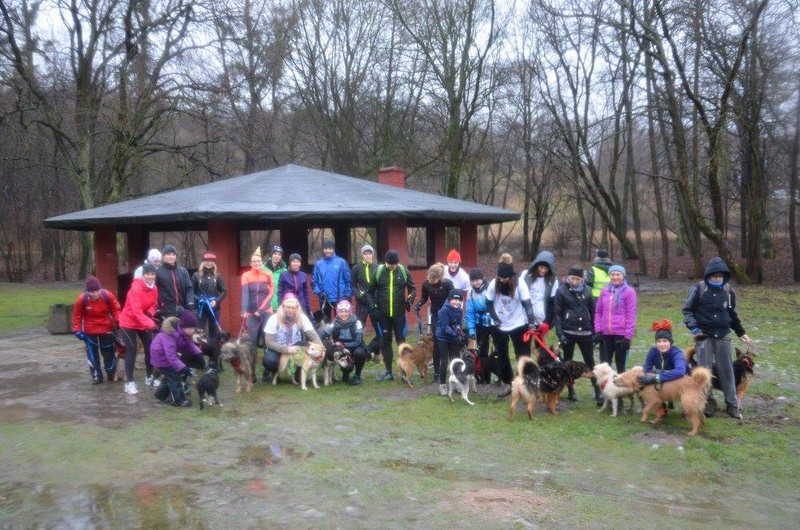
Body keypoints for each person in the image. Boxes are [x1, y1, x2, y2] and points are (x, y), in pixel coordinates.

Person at [682, 257, 752, 419]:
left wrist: (741, 332)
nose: (717, 278)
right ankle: (709, 402)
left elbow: (732, 314)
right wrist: (694, 327)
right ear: (708, 275)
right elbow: (687, 311)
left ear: (724, 276)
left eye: (720, 276)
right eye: (714, 276)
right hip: (703, 336)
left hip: (723, 335)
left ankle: (732, 405)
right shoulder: (698, 289)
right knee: (705, 371)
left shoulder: (728, 291)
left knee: (726, 370)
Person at [485, 254, 536, 396]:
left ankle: (525, 383)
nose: (503, 280)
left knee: (523, 356)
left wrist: (531, 322)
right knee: (502, 355)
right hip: (499, 325)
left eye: (505, 278)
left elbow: (528, 304)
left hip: (519, 323)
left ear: (511, 276)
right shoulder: (494, 284)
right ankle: (508, 382)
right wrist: (494, 318)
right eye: (500, 278)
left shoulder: (520, 283)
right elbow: (488, 303)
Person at [553, 265, 602, 405]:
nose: (575, 281)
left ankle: (597, 390)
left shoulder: (588, 290)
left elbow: (593, 312)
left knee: (590, 362)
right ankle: (570, 389)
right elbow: (557, 314)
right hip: (568, 332)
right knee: (567, 363)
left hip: (586, 332)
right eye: (572, 278)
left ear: (582, 279)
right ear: (568, 278)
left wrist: (595, 331)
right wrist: (560, 334)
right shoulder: (561, 291)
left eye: (578, 279)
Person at [368, 249, 416, 381]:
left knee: (401, 342)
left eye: (395, 264)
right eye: (390, 265)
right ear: (386, 262)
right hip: (383, 315)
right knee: (385, 341)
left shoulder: (403, 271)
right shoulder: (378, 272)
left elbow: (413, 288)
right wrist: (373, 308)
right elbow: (369, 292)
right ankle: (389, 372)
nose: (393, 267)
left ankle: (406, 373)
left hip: (399, 314)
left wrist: (410, 300)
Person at [72, 275, 122, 384]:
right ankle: (97, 376)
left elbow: (116, 310)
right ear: (88, 291)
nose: (95, 294)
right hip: (90, 331)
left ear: (100, 289)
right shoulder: (82, 299)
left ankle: (111, 374)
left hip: (106, 328)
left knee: (108, 353)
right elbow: (77, 316)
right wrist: (77, 331)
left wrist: (120, 323)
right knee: (92, 354)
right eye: (92, 292)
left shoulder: (107, 295)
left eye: (97, 291)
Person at [263, 293, 323, 382]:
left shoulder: (302, 318)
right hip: (277, 346)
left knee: (307, 346)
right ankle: (273, 372)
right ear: (283, 306)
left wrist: (322, 349)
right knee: (270, 361)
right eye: (288, 307)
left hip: (296, 346)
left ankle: (298, 370)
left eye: (293, 308)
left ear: (297, 308)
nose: (290, 310)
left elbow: (313, 335)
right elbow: (269, 342)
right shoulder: (273, 318)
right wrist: (286, 349)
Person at [119, 263, 159, 394]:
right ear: (143, 275)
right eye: (147, 274)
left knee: (149, 347)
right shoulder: (135, 289)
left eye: (152, 274)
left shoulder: (154, 289)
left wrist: (150, 314)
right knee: (132, 349)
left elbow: (153, 305)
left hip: (143, 321)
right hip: (128, 322)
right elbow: (136, 312)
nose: (150, 276)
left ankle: (149, 376)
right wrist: (151, 324)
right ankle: (129, 383)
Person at [638, 319, 689, 420]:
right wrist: (654, 374)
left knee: (687, 409)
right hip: (664, 380)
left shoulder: (677, 353)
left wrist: (657, 376)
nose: (661, 344)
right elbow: (646, 369)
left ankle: (686, 406)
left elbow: (680, 371)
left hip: (681, 382)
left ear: (670, 342)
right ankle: (662, 406)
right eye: (658, 341)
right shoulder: (653, 351)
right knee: (647, 381)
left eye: (665, 341)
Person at [151, 311, 203, 407]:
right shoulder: (170, 334)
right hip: (160, 356)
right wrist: (183, 368)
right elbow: (171, 356)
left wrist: (198, 353)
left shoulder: (183, 333)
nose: (193, 330)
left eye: (193, 328)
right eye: (190, 328)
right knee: (174, 377)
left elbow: (189, 344)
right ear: (183, 327)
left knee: (169, 377)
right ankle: (178, 401)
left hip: (168, 355)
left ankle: (160, 395)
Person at [594, 264, 637, 373]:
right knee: (604, 365)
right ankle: (604, 389)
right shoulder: (604, 291)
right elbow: (598, 311)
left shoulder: (629, 292)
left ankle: (621, 389)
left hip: (621, 334)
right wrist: (598, 330)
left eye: (618, 274)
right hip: (605, 334)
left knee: (620, 366)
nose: (615, 277)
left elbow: (631, 315)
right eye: (612, 274)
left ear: (623, 276)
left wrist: (628, 336)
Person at [414, 263, 454, 379]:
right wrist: (419, 304)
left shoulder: (447, 284)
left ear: (440, 277)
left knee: (449, 342)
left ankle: (451, 369)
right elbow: (424, 297)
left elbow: (453, 298)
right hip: (436, 315)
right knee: (436, 342)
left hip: (448, 315)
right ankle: (437, 373)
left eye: (434, 279)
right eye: (430, 278)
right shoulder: (426, 284)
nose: (431, 281)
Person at [519, 250, 558, 362]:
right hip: (526, 318)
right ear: (536, 265)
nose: (543, 271)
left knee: (541, 352)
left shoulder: (553, 280)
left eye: (546, 269)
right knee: (524, 349)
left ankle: (541, 373)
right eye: (541, 267)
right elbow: (520, 295)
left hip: (542, 320)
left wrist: (547, 322)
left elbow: (552, 303)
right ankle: (524, 373)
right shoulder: (526, 275)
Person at [319, 300, 368, 385]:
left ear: (350, 312)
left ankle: (357, 375)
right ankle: (346, 373)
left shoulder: (357, 322)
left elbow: (358, 341)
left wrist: (343, 345)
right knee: (347, 367)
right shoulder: (334, 323)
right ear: (337, 312)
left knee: (360, 353)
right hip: (341, 349)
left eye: (346, 311)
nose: (344, 314)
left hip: (356, 346)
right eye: (341, 311)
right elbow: (322, 336)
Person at [241, 248, 275, 364]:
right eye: (254, 261)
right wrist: (243, 310)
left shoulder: (268, 274)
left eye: (258, 261)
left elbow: (271, 293)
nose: (256, 263)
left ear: (262, 262)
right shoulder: (246, 275)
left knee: (267, 340)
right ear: (251, 263)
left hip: (266, 312)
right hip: (251, 313)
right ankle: (252, 370)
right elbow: (245, 294)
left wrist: (261, 310)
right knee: (252, 341)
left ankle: (268, 370)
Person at [312, 239, 352, 323]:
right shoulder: (318, 264)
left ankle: (339, 337)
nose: (328, 251)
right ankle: (327, 337)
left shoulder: (341, 262)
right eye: (326, 248)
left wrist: (347, 295)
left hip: (340, 298)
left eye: (330, 248)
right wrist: (319, 292)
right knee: (326, 323)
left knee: (342, 322)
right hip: (325, 299)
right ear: (323, 250)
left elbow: (348, 280)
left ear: (333, 250)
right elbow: (314, 281)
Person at [191, 251, 227, 341]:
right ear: (203, 262)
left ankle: (212, 351)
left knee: (213, 331)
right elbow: (191, 291)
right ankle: (199, 352)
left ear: (214, 263)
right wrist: (199, 299)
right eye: (207, 260)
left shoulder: (218, 276)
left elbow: (224, 291)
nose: (209, 263)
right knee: (200, 331)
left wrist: (217, 300)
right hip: (201, 308)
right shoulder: (196, 276)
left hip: (214, 308)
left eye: (211, 261)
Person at [435, 289, 465, 396]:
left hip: (453, 338)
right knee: (444, 362)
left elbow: (460, 323)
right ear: (450, 300)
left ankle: (456, 383)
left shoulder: (459, 310)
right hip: (442, 337)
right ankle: (442, 385)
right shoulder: (443, 310)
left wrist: (459, 329)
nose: (456, 302)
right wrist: (455, 333)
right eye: (454, 299)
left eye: (459, 300)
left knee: (456, 360)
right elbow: (444, 327)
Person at [465, 268, 492, 381]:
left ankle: (501, 375)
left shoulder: (490, 289)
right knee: (482, 351)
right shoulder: (470, 293)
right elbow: (469, 312)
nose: (475, 283)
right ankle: (483, 376)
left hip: (493, 322)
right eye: (473, 280)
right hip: (479, 323)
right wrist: (471, 330)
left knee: (498, 350)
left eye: (477, 280)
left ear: (482, 279)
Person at [155, 244, 195, 319]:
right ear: (163, 256)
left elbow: (189, 288)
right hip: (166, 313)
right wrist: (158, 308)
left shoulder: (183, 271)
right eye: (168, 254)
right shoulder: (157, 272)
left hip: (183, 310)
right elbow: (153, 292)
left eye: (173, 254)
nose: (171, 257)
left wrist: (190, 302)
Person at [350, 244, 378, 332]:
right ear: (362, 255)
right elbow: (353, 286)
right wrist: (359, 296)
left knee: (377, 325)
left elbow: (380, 285)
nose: (368, 256)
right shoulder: (356, 268)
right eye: (365, 254)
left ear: (373, 255)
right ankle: (358, 344)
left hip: (374, 302)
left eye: (370, 254)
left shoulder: (377, 268)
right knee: (359, 326)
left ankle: (380, 345)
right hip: (362, 302)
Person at [264, 245, 287, 313]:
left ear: (281, 256)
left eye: (279, 254)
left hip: (279, 305)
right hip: (266, 305)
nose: (276, 256)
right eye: (275, 254)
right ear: (272, 255)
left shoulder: (284, 271)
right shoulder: (263, 268)